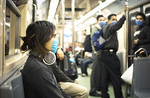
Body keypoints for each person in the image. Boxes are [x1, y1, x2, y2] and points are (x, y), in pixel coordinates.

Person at [21, 21, 71, 98]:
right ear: (43, 39)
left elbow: (57, 89)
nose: (54, 40)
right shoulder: (38, 69)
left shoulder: (39, 61)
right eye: (52, 36)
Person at [99, 6, 130, 98]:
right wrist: (124, 14)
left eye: (116, 19)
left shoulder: (103, 28)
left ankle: (104, 95)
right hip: (110, 55)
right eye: (113, 19)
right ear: (108, 20)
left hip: (104, 54)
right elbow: (118, 25)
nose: (115, 21)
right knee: (116, 77)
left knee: (105, 76)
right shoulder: (109, 26)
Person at [89, 15, 105, 97]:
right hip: (96, 53)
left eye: (103, 19)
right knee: (95, 72)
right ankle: (93, 90)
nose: (102, 21)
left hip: (100, 53)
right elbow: (93, 41)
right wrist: (96, 52)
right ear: (97, 21)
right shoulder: (95, 29)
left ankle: (98, 87)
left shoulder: (102, 29)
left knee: (100, 71)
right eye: (100, 20)